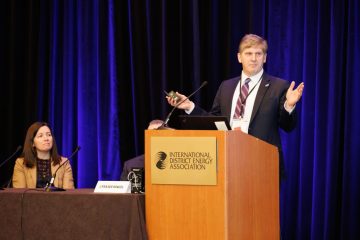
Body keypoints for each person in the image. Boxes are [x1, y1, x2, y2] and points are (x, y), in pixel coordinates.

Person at [166, 34, 304, 179]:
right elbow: (214, 122)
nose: (253, 58)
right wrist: (190, 106)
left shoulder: (279, 86)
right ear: (239, 57)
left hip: (263, 166)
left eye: (258, 54)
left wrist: (289, 105)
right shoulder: (226, 86)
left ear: (265, 58)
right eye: (248, 53)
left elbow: (288, 126)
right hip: (228, 163)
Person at [12, 122, 74, 189]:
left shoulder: (64, 163)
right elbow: (19, 194)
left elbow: (69, 194)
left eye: (49, 135)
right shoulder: (21, 163)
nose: (46, 139)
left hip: (58, 199)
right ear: (32, 143)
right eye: (40, 136)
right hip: (30, 199)